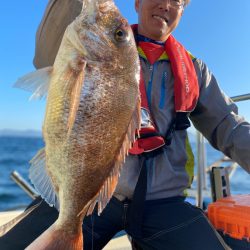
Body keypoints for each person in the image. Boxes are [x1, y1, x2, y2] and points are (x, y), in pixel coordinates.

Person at [1, 0, 250, 249]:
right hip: (87, 195)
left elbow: (230, 127)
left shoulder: (195, 69)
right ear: (137, 2)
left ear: (182, 12)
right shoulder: (94, 38)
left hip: (163, 202)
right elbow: (45, 57)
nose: (166, 4)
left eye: (177, 1)